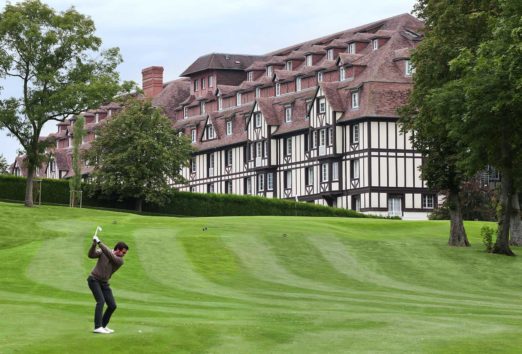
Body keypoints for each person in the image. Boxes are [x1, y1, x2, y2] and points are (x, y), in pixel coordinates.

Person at [87, 234, 128, 334]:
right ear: (117, 249)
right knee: (100, 301)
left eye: (125, 253)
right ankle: (97, 327)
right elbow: (91, 255)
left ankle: (103, 325)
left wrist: (99, 243)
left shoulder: (120, 261)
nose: (124, 254)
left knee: (112, 305)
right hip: (94, 280)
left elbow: (111, 256)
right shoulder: (104, 251)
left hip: (104, 283)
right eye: (123, 252)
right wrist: (94, 245)